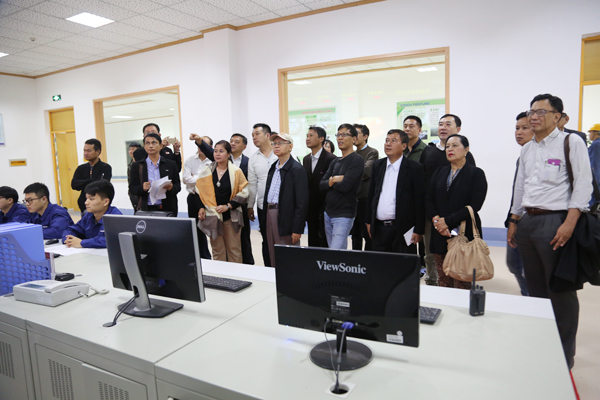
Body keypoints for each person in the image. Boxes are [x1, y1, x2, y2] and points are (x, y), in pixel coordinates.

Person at [508, 94, 593, 369]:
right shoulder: (527, 149)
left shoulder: (571, 142)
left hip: (556, 221)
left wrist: (569, 222)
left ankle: (564, 357)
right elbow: (521, 186)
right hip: (528, 222)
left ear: (557, 116)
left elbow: (584, 184)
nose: (534, 117)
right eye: (531, 111)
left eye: (541, 112)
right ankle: (543, 348)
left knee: (560, 290)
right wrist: (514, 219)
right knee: (536, 291)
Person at [419, 114, 476, 286]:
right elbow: (425, 186)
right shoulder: (428, 152)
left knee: (459, 253)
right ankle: (433, 281)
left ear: (458, 129)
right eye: (440, 124)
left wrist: (450, 220)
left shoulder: (468, 159)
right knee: (432, 253)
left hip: (458, 217)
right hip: (433, 215)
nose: (443, 127)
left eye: (448, 124)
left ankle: (459, 284)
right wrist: (435, 217)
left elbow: (471, 192)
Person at [426, 134, 487, 290]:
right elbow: (428, 199)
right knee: (443, 280)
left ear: (466, 150)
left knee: (462, 281)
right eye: (447, 146)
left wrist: (447, 222)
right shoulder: (439, 172)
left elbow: (475, 205)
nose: (450, 149)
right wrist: (437, 221)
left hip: (463, 233)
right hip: (440, 232)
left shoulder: (476, 174)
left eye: (454, 146)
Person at [194, 133, 255, 265]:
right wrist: (201, 207)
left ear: (228, 154)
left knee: (234, 249)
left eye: (221, 151)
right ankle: (219, 275)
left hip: (231, 215)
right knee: (217, 250)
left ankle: (236, 275)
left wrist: (228, 206)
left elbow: (244, 192)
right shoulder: (207, 170)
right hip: (213, 215)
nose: (217, 154)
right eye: (215, 151)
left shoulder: (236, 171)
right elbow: (199, 191)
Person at [366, 130, 425, 253]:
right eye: (387, 141)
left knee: (402, 263)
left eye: (393, 141)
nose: (388, 144)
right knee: (380, 262)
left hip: (403, 229)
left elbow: (419, 200)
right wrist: (369, 221)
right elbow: (371, 194)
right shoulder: (378, 165)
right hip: (379, 228)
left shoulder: (414, 168)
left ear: (404, 146)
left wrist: (419, 229)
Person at [263, 133, 308, 267]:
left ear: (290, 147)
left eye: (281, 143)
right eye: (274, 143)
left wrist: (297, 228)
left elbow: (302, 202)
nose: (276, 146)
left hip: (285, 215)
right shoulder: (273, 167)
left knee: (287, 255)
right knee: (272, 251)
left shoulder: (297, 169)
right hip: (270, 212)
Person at [320, 124, 365, 249]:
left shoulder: (357, 160)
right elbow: (322, 185)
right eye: (338, 135)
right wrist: (335, 179)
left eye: (344, 135)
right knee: (337, 252)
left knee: (336, 250)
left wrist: (331, 182)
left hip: (344, 214)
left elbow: (346, 186)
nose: (340, 138)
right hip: (328, 212)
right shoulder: (335, 161)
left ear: (354, 139)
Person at [504, 112, 533, 296]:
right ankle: (527, 295)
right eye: (517, 128)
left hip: (532, 219)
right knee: (514, 264)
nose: (519, 132)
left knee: (525, 266)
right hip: (517, 217)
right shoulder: (523, 155)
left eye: (524, 128)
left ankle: (531, 298)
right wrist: (513, 219)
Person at [247, 123, 278, 266]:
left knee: (281, 239)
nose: (254, 137)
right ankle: (268, 270)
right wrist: (250, 206)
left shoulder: (280, 152)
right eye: (252, 135)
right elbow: (252, 184)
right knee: (266, 239)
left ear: (267, 135)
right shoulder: (254, 158)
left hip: (281, 204)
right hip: (262, 206)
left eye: (257, 134)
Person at [128, 133, 181, 214]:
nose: (151, 146)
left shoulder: (171, 164)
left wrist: (171, 188)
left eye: (154, 143)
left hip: (167, 208)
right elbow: (132, 189)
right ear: (144, 147)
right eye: (147, 143)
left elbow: (178, 186)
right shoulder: (137, 166)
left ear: (160, 146)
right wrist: (142, 188)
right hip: (146, 208)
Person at [302, 126, 336, 247]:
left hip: (325, 208)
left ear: (321, 139)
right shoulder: (306, 159)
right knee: (312, 241)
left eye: (311, 135)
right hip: (311, 208)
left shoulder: (331, 159)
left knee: (325, 242)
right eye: (307, 136)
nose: (308, 138)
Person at [62, 180, 122, 248]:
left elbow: (111, 240)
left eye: (91, 199)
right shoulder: (89, 215)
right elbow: (71, 229)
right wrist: (69, 239)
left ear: (105, 202)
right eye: (86, 198)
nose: (86, 202)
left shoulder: (115, 217)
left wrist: (82, 243)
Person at [183, 136, 213, 259]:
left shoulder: (213, 161)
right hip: (193, 198)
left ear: (210, 147)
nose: (200, 147)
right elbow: (185, 179)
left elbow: (212, 180)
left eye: (204, 145)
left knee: (213, 228)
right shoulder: (190, 160)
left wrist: (195, 177)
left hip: (210, 199)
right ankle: (202, 257)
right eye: (199, 144)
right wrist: (203, 178)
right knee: (196, 230)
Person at [351, 124, 378, 251]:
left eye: (357, 134)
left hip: (365, 199)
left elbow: (366, 171)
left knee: (367, 234)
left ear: (366, 136)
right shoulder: (351, 153)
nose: (354, 137)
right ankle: (355, 259)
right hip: (352, 199)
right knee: (355, 234)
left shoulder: (372, 152)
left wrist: (350, 174)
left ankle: (368, 260)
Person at [71, 138, 112, 214]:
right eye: (84, 151)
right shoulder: (81, 168)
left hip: (100, 206)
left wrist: (84, 183)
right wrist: (92, 180)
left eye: (89, 151)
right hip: (84, 206)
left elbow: (103, 185)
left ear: (98, 152)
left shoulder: (105, 168)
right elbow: (74, 185)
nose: (86, 153)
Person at [127, 142, 142, 210]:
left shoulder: (141, 164)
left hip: (140, 192)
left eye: (133, 149)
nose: (131, 151)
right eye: (130, 149)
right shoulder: (130, 164)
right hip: (132, 193)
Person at [588, 123, 600, 189]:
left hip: (596, 181)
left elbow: (595, 164)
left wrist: (595, 183)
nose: (589, 135)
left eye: (590, 132)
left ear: (596, 132)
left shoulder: (596, 144)